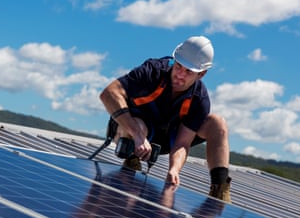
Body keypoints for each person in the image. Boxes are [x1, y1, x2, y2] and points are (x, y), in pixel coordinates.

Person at [99, 36, 231, 203]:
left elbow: (182, 143)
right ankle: (131, 161)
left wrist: (174, 170)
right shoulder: (152, 71)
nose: (180, 75)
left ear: (202, 74)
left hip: (166, 139)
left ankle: (219, 191)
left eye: (188, 71)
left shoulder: (199, 99)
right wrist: (138, 135)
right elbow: (108, 93)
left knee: (217, 123)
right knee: (139, 126)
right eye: (178, 66)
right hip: (130, 129)